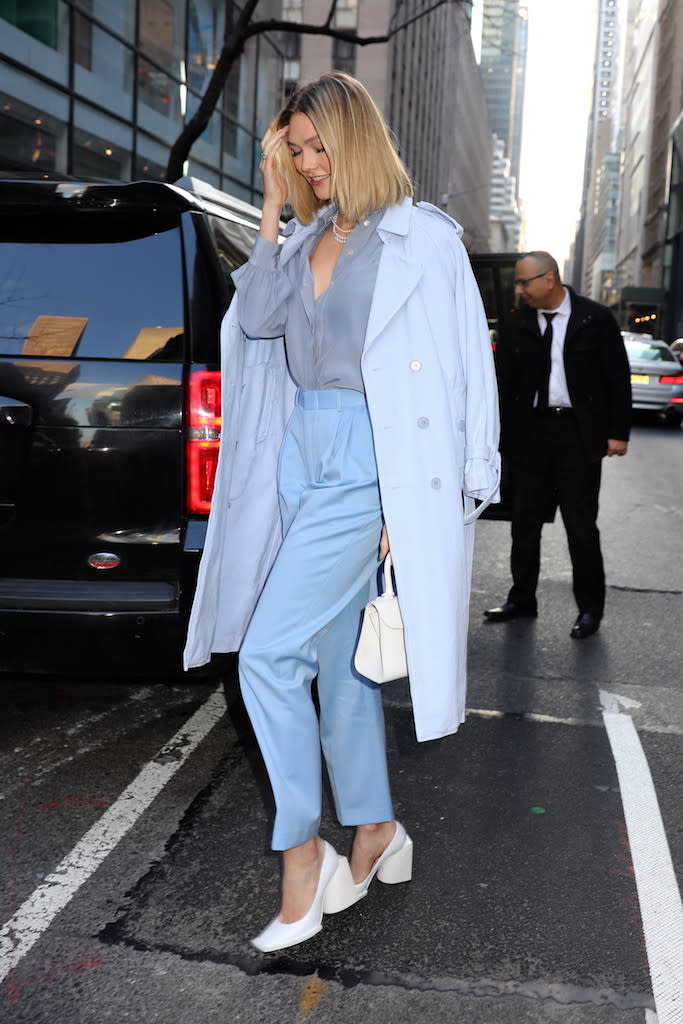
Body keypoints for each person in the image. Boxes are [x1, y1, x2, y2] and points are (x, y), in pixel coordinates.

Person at [184, 72, 500, 953]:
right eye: (296, 150)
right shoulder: (308, 235)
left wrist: (436, 496)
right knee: (331, 663)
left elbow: (463, 371)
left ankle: (301, 853)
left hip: (372, 462)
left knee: (266, 654)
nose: (312, 165)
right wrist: (273, 212)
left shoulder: (420, 238)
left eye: (321, 148)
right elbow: (253, 326)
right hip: (299, 458)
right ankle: (374, 827)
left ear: (356, 137)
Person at [484, 251, 631, 639]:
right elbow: (503, 384)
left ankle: (589, 609)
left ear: (550, 279)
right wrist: (496, 437)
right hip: (530, 435)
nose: (518, 290)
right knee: (524, 524)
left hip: (577, 436)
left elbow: (617, 378)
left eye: (524, 282)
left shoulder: (594, 319)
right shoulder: (516, 324)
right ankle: (522, 599)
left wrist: (618, 433)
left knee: (581, 528)